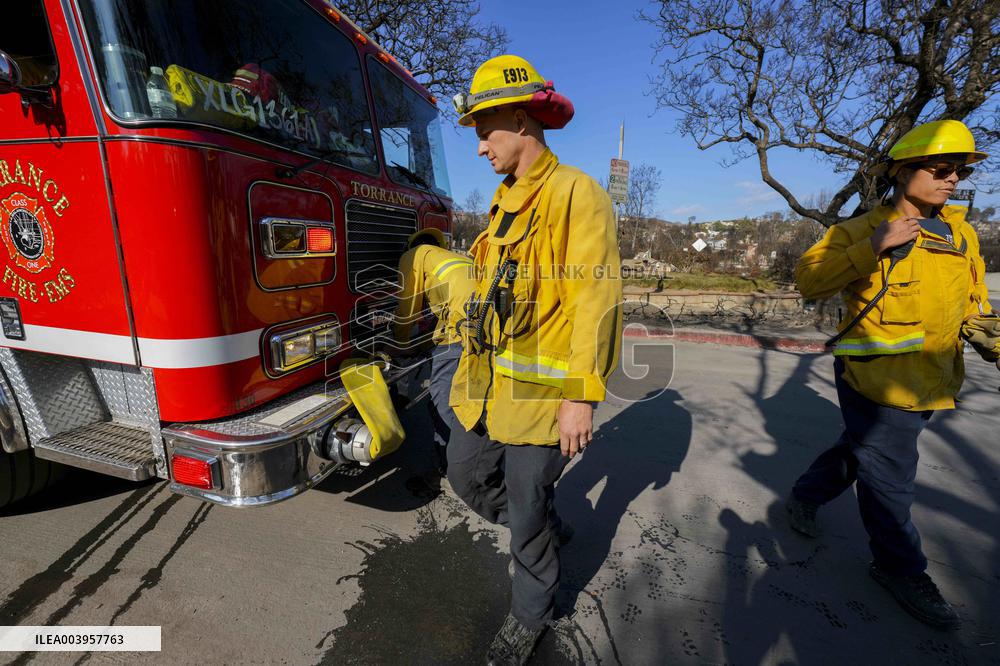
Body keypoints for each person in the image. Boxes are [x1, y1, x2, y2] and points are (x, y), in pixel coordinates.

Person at [786, 119, 997, 629]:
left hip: (934, 379)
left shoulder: (962, 235)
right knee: (889, 477)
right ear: (903, 173)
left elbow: (974, 308)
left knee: (860, 452)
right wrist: (872, 246)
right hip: (873, 378)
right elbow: (810, 282)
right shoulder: (858, 230)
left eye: (959, 172)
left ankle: (806, 495)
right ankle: (900, 567)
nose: (952, 180)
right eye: (941, 169)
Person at [447, 55, 622, 664]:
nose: (478, 147)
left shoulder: (577, 193)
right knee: (464, 475)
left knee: (523, 512)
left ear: (520, 120)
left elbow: (596, 300)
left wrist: (580, 395)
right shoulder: (501, 203)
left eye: (483, 130)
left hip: (545, 398)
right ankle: (542, 526)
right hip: (490, 385)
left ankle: (531, 613)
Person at [390, 228, 476, 474]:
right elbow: (440, 324)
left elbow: (408, 307)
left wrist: (400, 343)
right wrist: (424, 345)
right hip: (483, 323)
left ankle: (456, 462)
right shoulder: (452, 259)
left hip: (463, 325)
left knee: (441, 396)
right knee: (468, 393)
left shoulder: (414, 256)